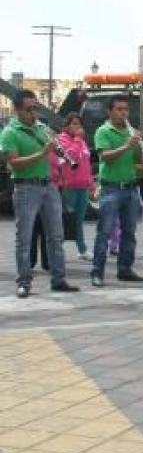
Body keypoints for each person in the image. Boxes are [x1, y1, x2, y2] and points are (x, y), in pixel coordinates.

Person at [0, 89, 78, 297]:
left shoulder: (42, 127)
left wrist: (58, 151)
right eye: (28, 109)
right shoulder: (9, 133)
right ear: (17, 110)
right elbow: (14, 163)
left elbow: (53, 153)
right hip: (26, 187)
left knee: (56, 235)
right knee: (24, 237)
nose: (33, 113)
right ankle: (24, 282)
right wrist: (42, 153)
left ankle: (59, 279)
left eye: (35, 108)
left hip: (49, 186)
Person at [89, 94, 143, 287]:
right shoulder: (103, 131)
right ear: (110, 111)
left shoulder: (130, 132)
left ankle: (125, 269)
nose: (123, 113)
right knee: (104, 232)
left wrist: (139, 145)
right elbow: (105, 157)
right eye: (119, 109)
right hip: (111, 189)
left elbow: (139, 160)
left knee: (129, 232)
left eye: (126, 109)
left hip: (131, 188)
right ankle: (97, 272)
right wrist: (126, 145)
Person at [57, 113, 95, 260]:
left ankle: (82, 249)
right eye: (74, 124)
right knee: (66, 219)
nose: (77, 127)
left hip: (82, 187)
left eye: (79, 124)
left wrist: (90, 184)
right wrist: (77, 140)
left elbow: (86, 163)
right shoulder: (62, 139)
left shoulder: (82, 142)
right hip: (69, 186)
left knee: (79, 219)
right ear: (66, 126)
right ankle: (57, 249)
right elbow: (69, 156)